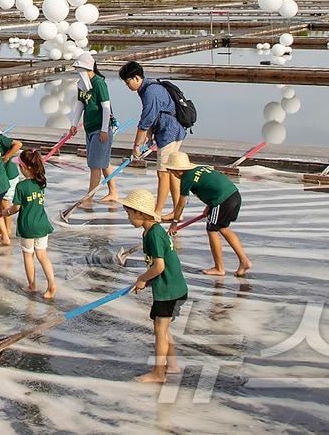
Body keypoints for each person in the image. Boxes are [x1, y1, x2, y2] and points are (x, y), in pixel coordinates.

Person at [121, 188, 188, 384]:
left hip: (169, 290)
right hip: (169, 288)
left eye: (129, 214)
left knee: (160, 330)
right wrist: (146, 279)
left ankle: (159, 373)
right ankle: (173, 365)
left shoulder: (154, 235)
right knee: (164, 328)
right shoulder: (150, 231)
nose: (128, 218)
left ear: (141, 213)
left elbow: (159, 266)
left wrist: (142, 278)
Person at [164, 152, 253, 277]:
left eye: (171, 171)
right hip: (234, 195)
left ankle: (219, 268)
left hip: (222, 200)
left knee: (212, 230)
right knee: (223, 228)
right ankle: (244, 261)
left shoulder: (186, 178)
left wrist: (174, 223)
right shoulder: (200, 168)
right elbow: (213, 184)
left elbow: (181, 204)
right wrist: (209, 206)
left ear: (177, 170)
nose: (171, 173)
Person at [118, 61, 187, 215]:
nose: (127, 85)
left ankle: (157, 211)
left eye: (128, 82)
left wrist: (136, 146)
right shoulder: (148, 88)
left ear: (136, 78)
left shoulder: (150, 92)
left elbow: (145, 121)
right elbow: (152, 117)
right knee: (173, 173)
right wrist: (149, 139)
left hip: (169, 133)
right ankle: (177, 212)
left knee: (163, 173)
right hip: (171, 131)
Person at [73, 52, 120, 206]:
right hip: (90, 128)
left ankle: (89, 197)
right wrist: (74, 124)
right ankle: (113, 192)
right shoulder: (82, 84)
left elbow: (106, 107)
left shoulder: (99, 83)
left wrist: (104, 130)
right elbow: (80, 104)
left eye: (80, 68)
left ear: (87, 68)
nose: (78, 72)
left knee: (95, 165)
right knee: (103, 163)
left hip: (100, 129)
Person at [15, 149, 57, 298]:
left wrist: (6, 212)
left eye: (20, 167)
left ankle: (32, 285)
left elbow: (16, 207)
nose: (19, 169)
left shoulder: (21, 186)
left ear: (26, 168)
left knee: (28, 255)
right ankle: (51, 283)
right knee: (42, 254)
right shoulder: (41, 182)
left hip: (27, 226)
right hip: (42, 223)